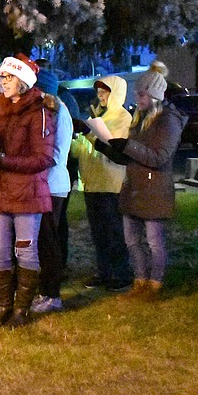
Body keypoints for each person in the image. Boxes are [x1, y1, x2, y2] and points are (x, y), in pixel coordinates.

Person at [95, 65, 187, 301]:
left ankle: (155, 283)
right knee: (132, 240)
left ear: (155, 95)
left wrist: (127, 145)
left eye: (142, 94)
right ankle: (140, 280)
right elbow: (130, 156)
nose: (137, 98)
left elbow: (159, 157)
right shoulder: (140, 119)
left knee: (154, 241)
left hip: (153, 188)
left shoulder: (168, 121)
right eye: (137, 94)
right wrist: (105, 146)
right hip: (134, 188)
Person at [0, 55, 55, 329]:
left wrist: (3, 160)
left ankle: (21, 309)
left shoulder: (40, 111)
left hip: (27, 194)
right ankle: (3, 306)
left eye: (9, 77)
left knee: (25, 252)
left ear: (23, 80)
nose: (3, 82)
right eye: (2, 77)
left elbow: (43, 159)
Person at [71, 75, 134, 293]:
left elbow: (112, 148)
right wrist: (75, 141)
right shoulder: (98, 116)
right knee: (99, 232)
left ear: (115, 92)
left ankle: (122, 273)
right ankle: (104, 271)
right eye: (98, 90)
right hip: (92, 183)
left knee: (114, 231)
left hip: (111, 182)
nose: (100, 95)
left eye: (105, 91)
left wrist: (89, 134)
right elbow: (85, 149)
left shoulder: (123, 119)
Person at [29, 69, 74, 314]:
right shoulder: (46, 110)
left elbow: (56, 154)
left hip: (53, 185)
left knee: (49, 241)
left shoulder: (59, 112)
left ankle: (52, 294)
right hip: (43, 183)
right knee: (42, 241)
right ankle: (43, 291)